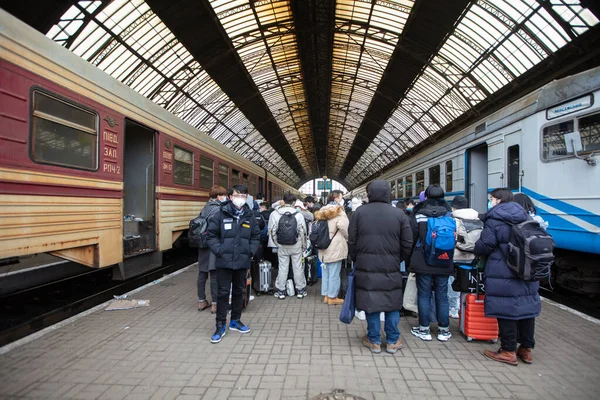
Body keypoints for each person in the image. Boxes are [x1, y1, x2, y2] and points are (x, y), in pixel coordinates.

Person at [475, 188, 540, 366]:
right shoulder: (527, 217)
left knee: (506, 310)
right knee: (527, 310)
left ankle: (508, 351)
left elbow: (485, 245)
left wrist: (476, 247)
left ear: (498, 200)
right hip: (527, 270)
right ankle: (526, 350)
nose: (490, 202)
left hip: (504, 271)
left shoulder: (495, 219)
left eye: (491, 199)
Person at [348, 180, 412, 354]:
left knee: (371, 301)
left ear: (369, 194)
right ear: (388, 194)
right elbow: (407, 242)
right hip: (391, 265)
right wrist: (398, 259)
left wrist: (357, 259)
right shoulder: (399, 214)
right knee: (392, 302)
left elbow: (352, 241)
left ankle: (374, 340)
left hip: (366, 265)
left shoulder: (359, 213)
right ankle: (392, 340)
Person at [205, 184, 261, 344]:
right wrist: (220, 251)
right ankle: (220, 325)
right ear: (230, 196)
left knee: (239, 292)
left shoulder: (249, 216)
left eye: (244, 195)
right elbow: (211, 236)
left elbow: (256, 236)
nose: (240, 198)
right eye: (238, 195)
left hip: (242, 261)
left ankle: (235, 321)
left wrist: (249, 251)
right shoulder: (220, 214)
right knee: (222, 294)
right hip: (224, 261)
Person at [409, 184, 454, 342]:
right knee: (442, 295)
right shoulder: (449, 214)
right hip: (444, 259)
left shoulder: (419, 214)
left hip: (423, 260)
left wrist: (410, 260)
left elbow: (412, 238)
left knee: (424, 294)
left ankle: (424, 329)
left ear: (426, 196)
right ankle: (444, 331)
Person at [449, 195, 483, 319]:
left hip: (456, 255)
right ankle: (467, 307)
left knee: (453, 281)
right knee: (468, 283)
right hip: (472, 256)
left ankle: (453, 308)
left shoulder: (453, 219)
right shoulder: (477, 219)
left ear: (454, 207)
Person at [269, 193, 308, 299]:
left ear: (283, 201)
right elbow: (303, 232)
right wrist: (304, 245)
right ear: (294, 202)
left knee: (282, 268)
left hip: (282, 245)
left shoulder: (275, 214)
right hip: (296, 245)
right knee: (298, 267)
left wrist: (277, 243)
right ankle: (300, 290)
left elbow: (272, 231)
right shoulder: (298, 214)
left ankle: (281, 291)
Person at [314, 190, 349, 305]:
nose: (342, 199)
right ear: (336, 198)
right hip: (335, 247)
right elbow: (343, 226)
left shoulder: (322, 211)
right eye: (341, 197)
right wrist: (347, 237)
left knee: (326, 273)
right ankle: (332, 297)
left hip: (323, 246)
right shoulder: (339, 211)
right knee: (334, 273)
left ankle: (326, 295)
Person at [197, 185, 228, 314]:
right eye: (224, 195)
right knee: (214, 274)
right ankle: (215, 304)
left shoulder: (205, 208)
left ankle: (201, 301)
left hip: (202, 244)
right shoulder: (218, 209)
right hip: (213, 244)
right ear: (220, 196)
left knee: (202, 273)